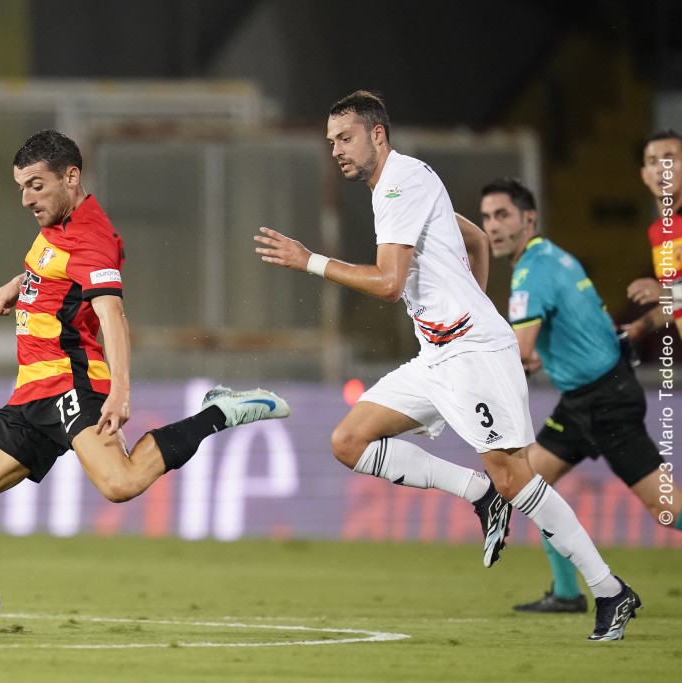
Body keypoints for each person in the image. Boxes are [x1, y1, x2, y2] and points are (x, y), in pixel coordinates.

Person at [0, 130, 290, 636]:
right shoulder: (57, 223)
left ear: (71, 176)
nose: (26, 199)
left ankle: (219, 411)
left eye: (36, 185)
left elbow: (112, 316)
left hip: (73, 382)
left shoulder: (91, 237)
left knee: (120, 484)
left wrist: (121, 391)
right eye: (22, 187)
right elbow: (54, 268)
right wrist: (18, 285)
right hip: (32, 390)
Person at [254, 90, 639, 641]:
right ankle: (477, 493)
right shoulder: (399, 183)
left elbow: (389, 284)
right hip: (438, 356)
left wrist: (309, 260)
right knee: (349, 441)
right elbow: (475, 239)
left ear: (377, 134)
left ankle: (609, 589)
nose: (336, 149)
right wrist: (472, 302)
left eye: (346, 138)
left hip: (474, 353)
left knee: (516, 477)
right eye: (331, 141)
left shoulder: (399, 184)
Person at [479, 177, 681, 614]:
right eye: (487, 217)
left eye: (502, 215)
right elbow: (572, 328)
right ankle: (567, 593)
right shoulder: (554, 257)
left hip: (607, 401)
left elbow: (520, 353)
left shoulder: (530, 274)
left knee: (666, 509)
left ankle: (572, 591)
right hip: (584, 398)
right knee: (530, 483)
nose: (492, 226)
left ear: (528, 219)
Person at [623, 130, 682, 340]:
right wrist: (641, 326)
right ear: (645, 175)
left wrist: (667, 293)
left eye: (669, 159)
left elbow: (673, 294)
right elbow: (678, 301)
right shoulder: (658, 232)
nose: (661, 169)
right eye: (653, 162)